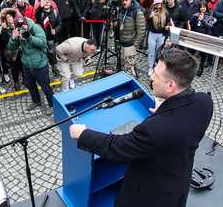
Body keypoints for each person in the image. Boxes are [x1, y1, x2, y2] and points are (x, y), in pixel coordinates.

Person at [69, 49, 213, 207]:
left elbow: (116, 147)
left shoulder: (155, 129)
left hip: (150, 197)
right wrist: (165, 108)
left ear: (171, 85)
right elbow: (179, 119)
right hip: (177, 186)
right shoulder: (205, 102)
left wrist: (83, 134)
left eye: (156, 75)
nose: (151, 77)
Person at [7, 15, 53, 115]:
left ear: (26, 23)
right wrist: (13, 38)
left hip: (40, 64)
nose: (22, 29)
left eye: (23, 26)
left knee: (45, 87)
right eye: (19, 27)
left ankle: (52, 105)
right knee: (30, 85)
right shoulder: (16, 30)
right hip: (27, 64)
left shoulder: (35, 28)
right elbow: (11, 47)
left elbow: (43, 43)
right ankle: (36, 101)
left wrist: (29, 37)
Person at [118, 0, 146, 77]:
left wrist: (135, 45)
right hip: (122, 42)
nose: (124, 2)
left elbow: (141, 30)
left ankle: (133, 86)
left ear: (130, 0)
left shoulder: (137, 11)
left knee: (129, 68)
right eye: (122, 0)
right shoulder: (122, 9)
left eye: (126, 0)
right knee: (124, 66)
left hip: (131, 44)